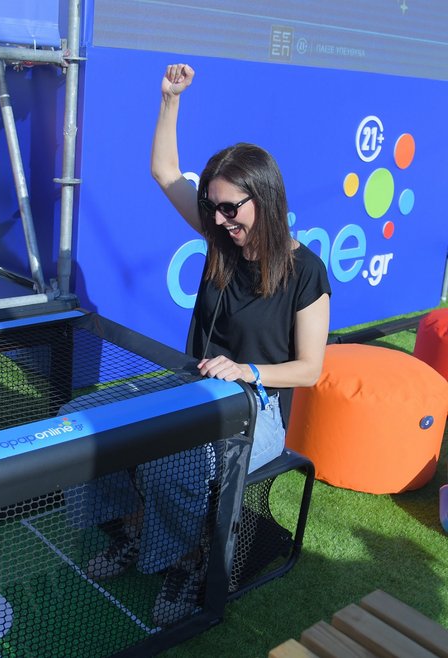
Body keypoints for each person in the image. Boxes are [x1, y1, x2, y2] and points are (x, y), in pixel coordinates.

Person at [81, 64, 331, 625]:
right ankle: (132, 531)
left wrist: (247, 371)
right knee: (88, 419)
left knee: (173, 463)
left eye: (230, 208)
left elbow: (311, 369)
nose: (218, 219)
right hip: (191, 383)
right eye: (212, 208)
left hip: (253, 406)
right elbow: (164, 170)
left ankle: (190, 560)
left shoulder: (305, 271)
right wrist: (168, 99)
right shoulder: (220, 237)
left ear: (263, 199)